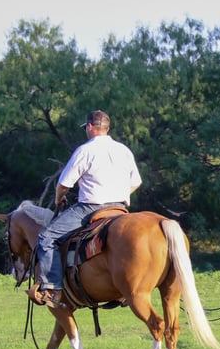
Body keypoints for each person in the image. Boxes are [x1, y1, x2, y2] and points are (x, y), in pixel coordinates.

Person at [28, 110, 143, 307]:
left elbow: (64, 184)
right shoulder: (123, 150)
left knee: (47, 237)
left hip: (90, 208)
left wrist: (59, 199)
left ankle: (52, 288)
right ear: (107, 128)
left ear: (90, 127)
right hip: (119, 208)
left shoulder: (85, 150)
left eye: (86, 128)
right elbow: (137, 182)